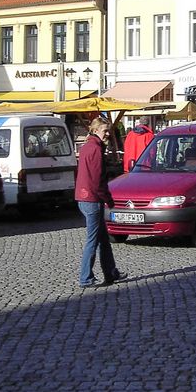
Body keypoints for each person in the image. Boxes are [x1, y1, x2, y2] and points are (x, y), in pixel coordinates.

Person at [74, 117, 125, 288]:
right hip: (92, 199)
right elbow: (98, 180)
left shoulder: (87, 147)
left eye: (109, 130)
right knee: (93, 240)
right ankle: (85, 277)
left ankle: (111, 272)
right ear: (95, 130)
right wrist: (108, 199)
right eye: (105, 130)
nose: (108, 134)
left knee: (103, 239)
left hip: (83, 197)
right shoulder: (95, 149)